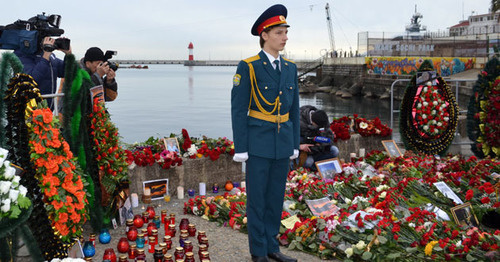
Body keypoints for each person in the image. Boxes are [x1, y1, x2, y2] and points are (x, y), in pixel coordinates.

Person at [231, 4, 299, 262]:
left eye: (285, 32)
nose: (285, 37)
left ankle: (272, 247)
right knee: (257, 201)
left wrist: (294, 144)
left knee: (275, 198)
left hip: (282, 144)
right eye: (280, 32)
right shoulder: (248, 67)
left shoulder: (290, 68)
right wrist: (241, 148)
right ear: (265, 35)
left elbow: (294, 110)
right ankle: (258, 252)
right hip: (258, 143)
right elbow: (238, 109)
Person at [14, 36, 71, 109]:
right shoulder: (21, 55)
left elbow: (66, 73)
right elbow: (31, 80)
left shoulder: (51, 56)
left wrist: (68, 55)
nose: (50, 40)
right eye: (46, 38)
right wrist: (46, 55)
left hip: (48, 110)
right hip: (28, 111)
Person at [299, 105, 339, 170]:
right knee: (309, 162)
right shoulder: (299, 120)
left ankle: (317, 168)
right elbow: (289, 138)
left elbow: (330, 138)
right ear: (313, 122)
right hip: (303, 150)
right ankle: (314, 168)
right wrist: (299, 146)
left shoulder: (322, 119)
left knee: (335, 151)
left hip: (317, 148)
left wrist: (321, 144)